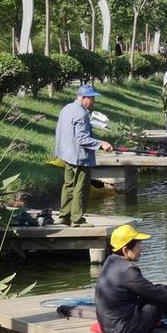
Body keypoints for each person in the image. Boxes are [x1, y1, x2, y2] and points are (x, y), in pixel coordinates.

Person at [55, 84, 113, 228]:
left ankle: (64, 216)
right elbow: (82, 139)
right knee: (81, 188)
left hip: (66, 154)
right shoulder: (81, 114)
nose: (94, 101)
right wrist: (102, 144)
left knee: (68, 186)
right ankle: (77, 219)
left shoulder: (67, 108)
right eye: (92, 98)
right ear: (83, 97)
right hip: (79, 157)